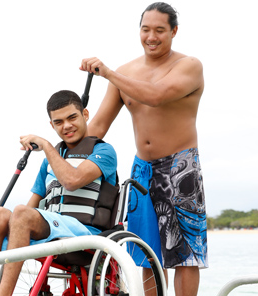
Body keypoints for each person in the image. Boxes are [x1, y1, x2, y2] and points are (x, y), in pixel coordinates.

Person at [79, 2, 207, 296]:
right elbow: (97, 127)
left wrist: (109, 73)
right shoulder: (125, 72)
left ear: (174, 31)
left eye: (160, 30)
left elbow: (157, 96)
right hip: (141, 170)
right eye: (145, 29)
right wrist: (58, 140)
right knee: (147, 254)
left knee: (185, 256)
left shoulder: (189, 65)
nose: (151, 36)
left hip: (180, 167)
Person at [0, 90, 118, 296]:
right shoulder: (50, 161)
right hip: (52, 230)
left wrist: (47, 146)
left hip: (85, 235)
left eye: (72, 117)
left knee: (20, 212)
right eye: (58, 122)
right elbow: (29, 210)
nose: (66, 126)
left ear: (85, 114)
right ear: (52, 125)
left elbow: (72, 180)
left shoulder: (104, 151)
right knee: (0, 215)